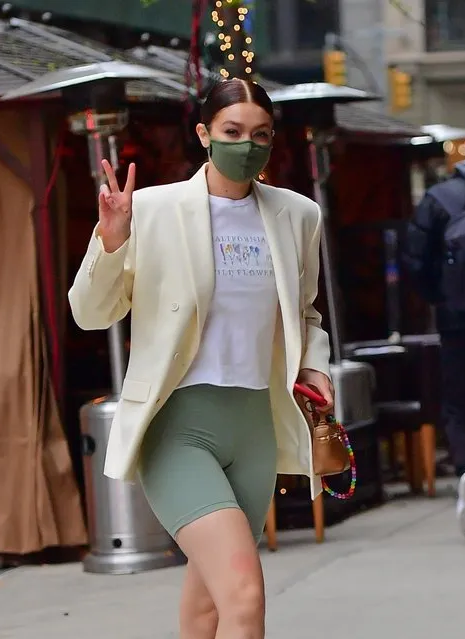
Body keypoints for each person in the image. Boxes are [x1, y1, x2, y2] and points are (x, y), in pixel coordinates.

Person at [69, 78, 334, 638]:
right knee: (244, 594)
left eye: (260, 134)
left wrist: (314, 367)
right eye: (233, 132)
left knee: (211, 604)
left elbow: (304, 313)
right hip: (180, 429)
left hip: (255, 425)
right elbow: (91, 313)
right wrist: (111, 239)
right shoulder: (152, 209)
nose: (248, 145)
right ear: (204, 134)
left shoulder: (298, 216)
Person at [404, 118, 465, 540]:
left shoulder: (440, 198)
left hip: (457, 319)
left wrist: (439, 298)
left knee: (460, 404)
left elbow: (415, 260)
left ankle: (464, 471)